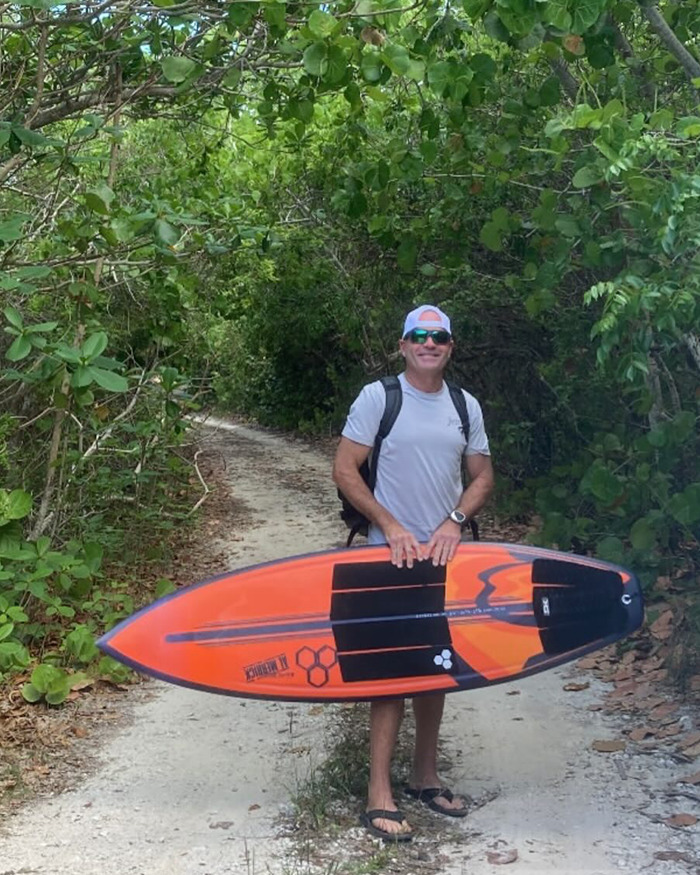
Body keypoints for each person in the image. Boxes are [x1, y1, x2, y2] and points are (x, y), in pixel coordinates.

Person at [332, 304, 494, 842]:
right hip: (387, 554)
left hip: (443, 559)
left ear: (450, 346)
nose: (430, 343)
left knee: (437, 663)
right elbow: (344, 468)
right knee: (390, 674)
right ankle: (379, 791)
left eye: (439, 336)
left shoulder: (465, 406)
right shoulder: (380, 397)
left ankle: (425, 776)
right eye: (419, 336)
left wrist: (454, 522)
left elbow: (481, 476)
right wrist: (390, 525)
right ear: (403, 345)